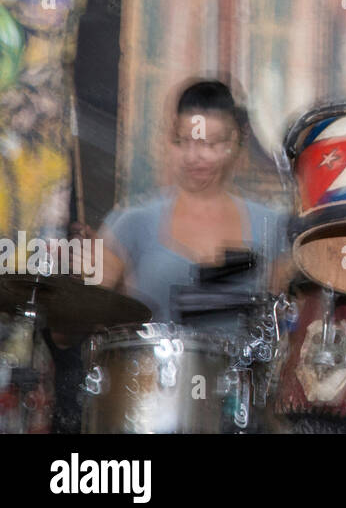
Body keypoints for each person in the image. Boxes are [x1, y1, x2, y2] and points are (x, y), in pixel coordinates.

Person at [92, 78, 291, 324]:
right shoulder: (132, 222)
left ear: (235, 143)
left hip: (246, 363)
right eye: (183, 142)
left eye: (209, 144)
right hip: (153, 361)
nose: (194, 157)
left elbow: (288, 322)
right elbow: (72, 322)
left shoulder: (270, 225)